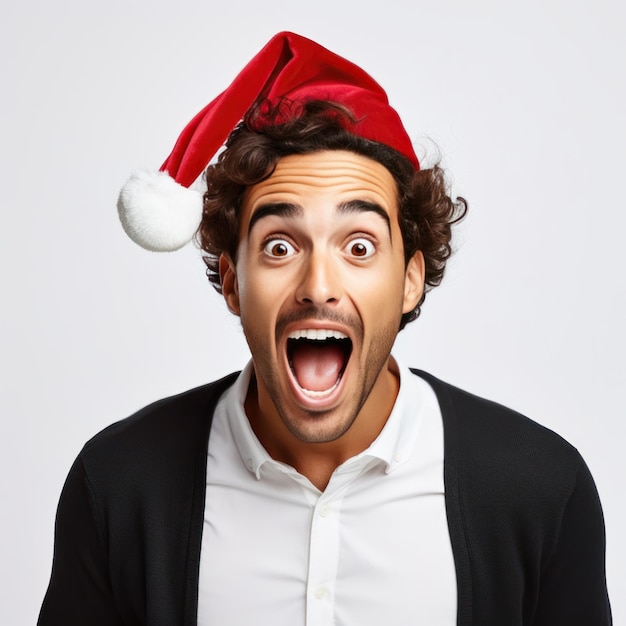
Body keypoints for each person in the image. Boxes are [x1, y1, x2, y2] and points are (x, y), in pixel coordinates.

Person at [38, 32, 611, 625]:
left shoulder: (540, 490)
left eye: (359, 246)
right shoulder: (118, 485)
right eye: (280, 246)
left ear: (410, 278)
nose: (318, 284)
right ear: (233, 282)